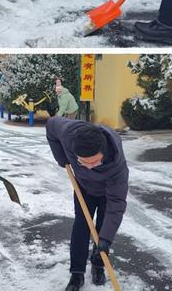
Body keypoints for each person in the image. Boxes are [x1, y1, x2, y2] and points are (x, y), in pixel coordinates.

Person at [46, 117, 128, 290]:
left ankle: (98, 266)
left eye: (95, 162)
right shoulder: (69, 133)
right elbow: (51, 125)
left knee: (103, 231)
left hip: (107, 192)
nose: (89, 166)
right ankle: (77, 273)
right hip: (83, 187)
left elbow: (117, 205)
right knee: (81, 226)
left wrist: (106, 240)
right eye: (84, 162)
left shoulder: (117, 167)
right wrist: (62, 159)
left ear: (104, 153)